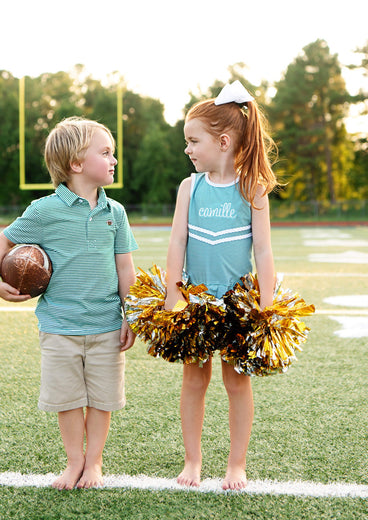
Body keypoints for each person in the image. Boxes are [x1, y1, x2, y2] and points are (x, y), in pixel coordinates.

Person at [0, 117, 138, 490]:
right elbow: (3, 241)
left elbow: (125, 268)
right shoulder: (43, 210)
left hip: (105, 324)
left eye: (113, 153)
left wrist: (130, 315)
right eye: (105, 153)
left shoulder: (115, 213)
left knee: (102, 399)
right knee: (67, 400)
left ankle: (95, 462)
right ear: (76, 163)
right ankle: (74, 462)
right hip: (59, 326)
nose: (114, 159)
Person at [164, 81, 278, 491]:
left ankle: (236, 465)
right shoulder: (189, 188)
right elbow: (178, 241)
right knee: (195, 379)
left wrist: (266, 307)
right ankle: (192, 460)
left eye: (194, 141)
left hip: (237, 305)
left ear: (224, 141)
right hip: (197, 301)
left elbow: (263, 252)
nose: (188, 149)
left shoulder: (253, 188)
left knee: (236, 381)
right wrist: (172, 294)